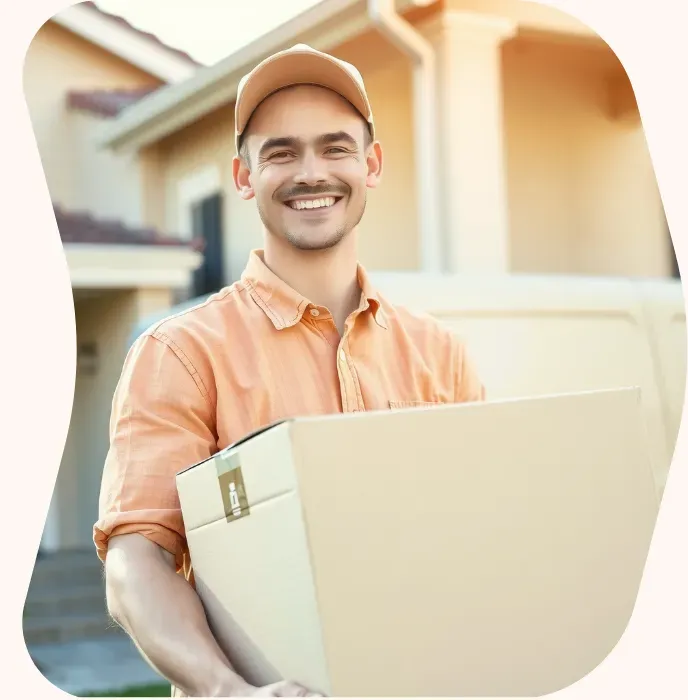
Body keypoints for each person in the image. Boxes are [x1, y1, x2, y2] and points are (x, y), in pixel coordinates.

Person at [94, 44, 485, 698]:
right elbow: (137, 561)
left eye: (335, 148)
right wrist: (227, 690)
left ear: (372, 164)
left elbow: (479, 534)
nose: (312, 173)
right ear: (243, 176)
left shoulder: (439, 353)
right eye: (281, 152)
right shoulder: (183, 353)